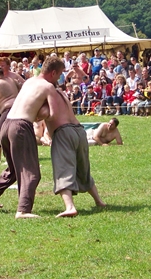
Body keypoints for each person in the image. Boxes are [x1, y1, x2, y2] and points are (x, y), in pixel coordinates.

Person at [0, 57, 66, 219]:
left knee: (15, 167)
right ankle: (23, 210)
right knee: (31, 172)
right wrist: (42, 114)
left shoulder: (29, 81)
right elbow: (53, 114)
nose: (59, 79)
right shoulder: (48, 87)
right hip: (21, 126)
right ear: (53, 72)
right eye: (59, 75)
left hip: (6, 124)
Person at [42, 84, 106, 217]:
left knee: (63, 170)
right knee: (83, 170)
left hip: (64, 132)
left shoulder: (48, 96)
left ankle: (70, 207)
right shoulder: (62, 94)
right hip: (79, 131)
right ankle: (99, 201)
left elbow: (47, 114)